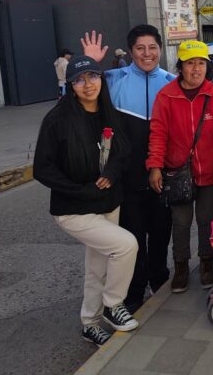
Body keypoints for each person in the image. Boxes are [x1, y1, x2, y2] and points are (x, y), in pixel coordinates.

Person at [33, 55, 140, 347]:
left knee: (97, 268)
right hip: (74, 208)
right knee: (126, 245)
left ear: (101, 79)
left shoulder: (108, 112)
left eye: (93, 76)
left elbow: (122, 150)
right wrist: (79, 190)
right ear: (70, 85)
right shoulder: (57, 119)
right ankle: (113, 304)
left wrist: (112, 172)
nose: (88, 84)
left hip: (108, 202)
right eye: (79, 80)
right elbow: (42, 168)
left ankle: (90, 323)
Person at [82, 26, 175, 315]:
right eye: (140, 48)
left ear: (160, 49)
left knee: (160, 234)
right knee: (132, 239)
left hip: (163, 176)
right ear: (131, 51)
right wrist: (91, 65)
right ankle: (134, 293)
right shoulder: (113, 80)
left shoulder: (172, 83)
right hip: (127, 178)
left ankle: (160, 283)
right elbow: (82, 94)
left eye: (152, 47)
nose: (147, 54)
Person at [147, 40, 213, 293]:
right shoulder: (166, 96)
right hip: (177, 172)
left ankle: (206, 263)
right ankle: (181, 266)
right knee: (181, 222)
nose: (196, 69)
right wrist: (155, 166)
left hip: (209, 172)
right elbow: (158, 133)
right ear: (180, 67)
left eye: (201, 63)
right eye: (190, 63)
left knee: (206, 219)